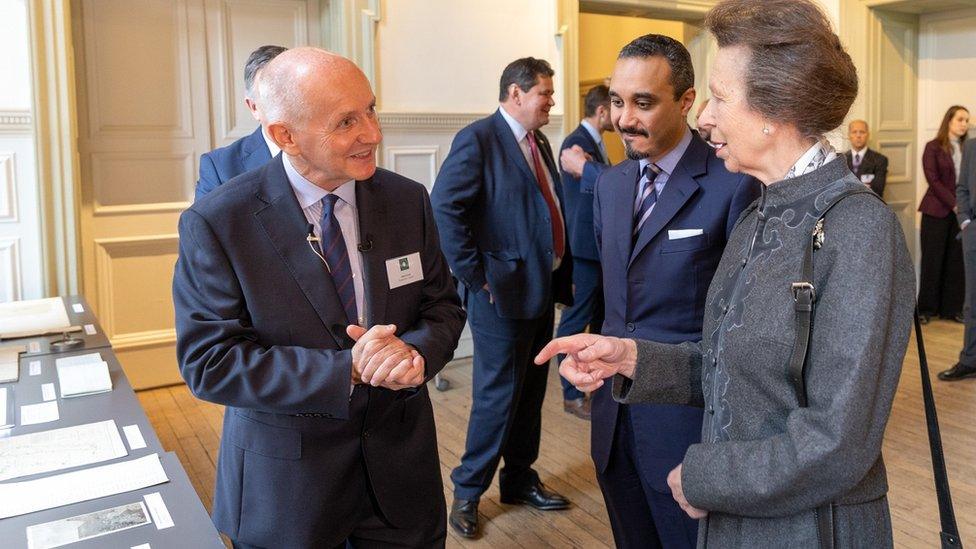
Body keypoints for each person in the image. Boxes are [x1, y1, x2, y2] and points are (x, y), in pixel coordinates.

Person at [536, 1, 916, 546]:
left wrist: (702, 477)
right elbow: (731, 365)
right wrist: (633, 358)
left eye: (718, 96)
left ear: (774, 109)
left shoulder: (860, 229)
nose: (705, 116)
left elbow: (838, 441)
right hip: (737, 520)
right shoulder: (764, 210)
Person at [173, 48, 466, 548]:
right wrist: (347, 369)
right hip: (289, 491)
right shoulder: (221, 221)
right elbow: (210, 362)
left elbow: (442, 306)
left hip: (401, 480)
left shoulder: (406, 199)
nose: (372, 134)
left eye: (370, 110)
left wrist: (413, 352)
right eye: (346, 121)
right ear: (284, 135)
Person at [586, 34, 759, 549]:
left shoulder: (735, 183)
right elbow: (614, 299)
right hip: (614, 422)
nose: (624, 118)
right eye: (617, 101)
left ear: (686, 102)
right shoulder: (610, 185)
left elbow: (742, 325)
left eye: (643, 102)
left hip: (689, 428)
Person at [431, 57, 574, 539]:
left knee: (532, 394)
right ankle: (467, 494)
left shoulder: (539, 141)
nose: (551, 102)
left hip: (538, 290)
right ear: (516, 93)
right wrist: (476, 275)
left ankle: (518, 480)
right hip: (500, 297)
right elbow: (444, 207)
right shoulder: (479, 138)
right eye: (545, 94)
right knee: (496, 398)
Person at [554, 84, 613, 420]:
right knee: (575, 322)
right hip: (585, 249)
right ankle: (572, 394)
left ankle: (595, 388)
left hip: (598, 248)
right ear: (601, 110)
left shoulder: (595, 144)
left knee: (600, 319)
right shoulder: (576, 143)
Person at [195, 45, 287, 200]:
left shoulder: (330, 151)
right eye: (274, 95)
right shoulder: (220, 167)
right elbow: (202, 224)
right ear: (253, 107)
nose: (289, 102)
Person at [918, 105, 969, 324]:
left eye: (967, 120)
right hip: (936, 211)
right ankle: (926, 309)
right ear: (948, 121)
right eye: (960, 119)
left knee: (955, 262)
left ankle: (951, 309)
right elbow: (933, 179)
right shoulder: (933, 147)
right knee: (933, 260)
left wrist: (963, 206)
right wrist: (954, 204)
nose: (964, 124)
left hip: (961, 212)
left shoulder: (969, 148)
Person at [945, 129, 976, 380]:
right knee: (972, 299)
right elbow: (962, 186)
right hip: (973, 231)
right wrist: (965, 220)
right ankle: (970, 359)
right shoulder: (972, 146)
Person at [844, 119, 888, 198]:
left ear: (868, 135)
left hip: (871, 204)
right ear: (849, 135)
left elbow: (878, 189)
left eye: (862, 132)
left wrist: (850, 188)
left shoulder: (880, 160)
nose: (858, 136)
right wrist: (864, 187)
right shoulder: (841, 160)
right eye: (854, 132)